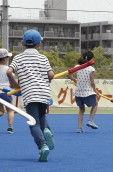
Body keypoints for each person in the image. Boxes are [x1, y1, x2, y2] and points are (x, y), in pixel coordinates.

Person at [6, 29, 55, 162]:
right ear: (39, 44)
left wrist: (15, 85)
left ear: (22, 43)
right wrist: (47, 82)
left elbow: (9, 71)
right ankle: (46, 131)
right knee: (42, 115)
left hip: (30, 93)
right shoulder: (43, 58)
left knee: (33, 122)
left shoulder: (18, 58)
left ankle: (42, 145)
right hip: (44, 93)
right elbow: (51, 75)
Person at [67, 51, 98, 133]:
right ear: (91, 59)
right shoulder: (91, 69)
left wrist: (75, 80)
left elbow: (68, 75)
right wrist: (95, 91)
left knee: (81, 109)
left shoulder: (77, 66)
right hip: (87, 92)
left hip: (78, 92)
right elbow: (92, 83)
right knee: (95, 104)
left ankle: (79, 128)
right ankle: (90, 120)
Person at [0, 49, 15, 134]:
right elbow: (12, 82)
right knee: (10, 110)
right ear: (5, 59)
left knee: (1, 112)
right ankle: (10, 127)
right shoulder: (8, 69)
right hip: (6, 92)